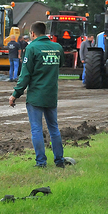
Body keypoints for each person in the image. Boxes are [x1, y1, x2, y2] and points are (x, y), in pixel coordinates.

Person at [8, 22, 66, 168]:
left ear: (32, 34)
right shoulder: (57, 47)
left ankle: (41, 162)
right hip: (51, 95)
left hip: (36, 96)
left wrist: (15, 94)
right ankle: (59, 160)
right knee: (54, 128)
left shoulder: (32, 47)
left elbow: (25, 75)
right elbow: (60, 65)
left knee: (36, 129)